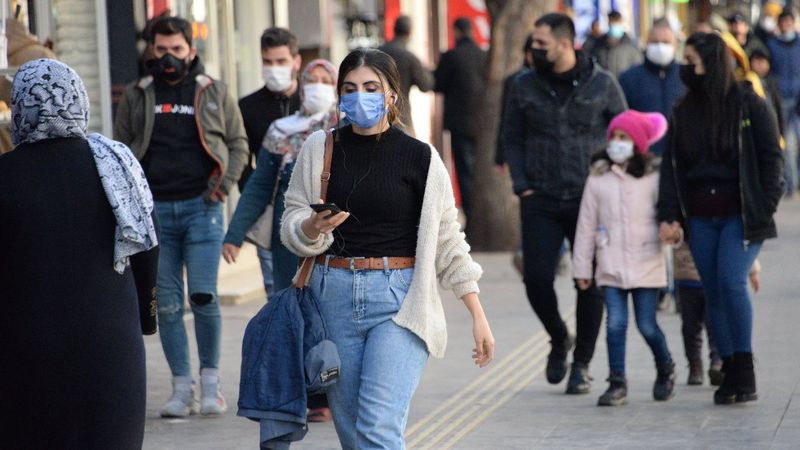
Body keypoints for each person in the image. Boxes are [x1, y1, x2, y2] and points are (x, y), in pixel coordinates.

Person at [280, 48, 495, 449]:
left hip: (399, 299)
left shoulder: (420, 157)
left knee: (377, 428)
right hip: (331, 295)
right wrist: (311, 226)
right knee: (353, 433)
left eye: (370, 87)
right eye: (349, 89)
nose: (359, 96)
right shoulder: (319, 148)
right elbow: (291, 221)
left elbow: (447, 240)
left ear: (392, 94)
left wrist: (477, 315)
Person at [1, 59, 159, 449]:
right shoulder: (116, 166)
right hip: (112, 345)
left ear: (21, 107)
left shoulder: (6, 174)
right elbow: (148, 250)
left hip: (26, 350)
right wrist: (147, 318)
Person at [114, 16, 249, 417]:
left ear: (191, 50)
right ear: (150, 51)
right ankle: (181, 387)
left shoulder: (213, 91)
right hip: (155, 213)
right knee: (169, 304)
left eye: (176, 49)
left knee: (203, 295)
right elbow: (122, 147)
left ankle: (211, 384)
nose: (169, 57)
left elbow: (238, 144)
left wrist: (222, 188)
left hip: (202, 209)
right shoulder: (138, 94)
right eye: (161, 50)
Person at [503, 13, 627, 395]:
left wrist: (614, 179)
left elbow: (624, 133)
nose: (534, 49)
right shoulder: (523, 85)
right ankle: (559, 337)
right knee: (536, 278)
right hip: (539, 197)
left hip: (590, 197)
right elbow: (511, 137)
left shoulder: (602, 83)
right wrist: (522, 184)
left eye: (541, 44)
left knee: (588, 282)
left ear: (564, 43)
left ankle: (582, 365)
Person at [658, 32, 784, 405]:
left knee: (731, 282)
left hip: (740, 215)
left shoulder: (748, 104)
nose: (685, 68)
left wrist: (765, 205)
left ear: (711, 64)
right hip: (700, 217)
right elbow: (671, 168)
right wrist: (669, 215)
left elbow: (772, 159)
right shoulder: (683, 111)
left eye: (691, 61)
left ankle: (744, 368)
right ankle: (728, 367)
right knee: (712, 291)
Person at [223, 59, 338, 422]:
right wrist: (234, 234)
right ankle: (305, 393)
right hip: (290, 238)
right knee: (294, 314)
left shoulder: (345, 127)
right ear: (301, 86)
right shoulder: (281, 131)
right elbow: (260, 186)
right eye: (311, 80)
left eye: (326, 80)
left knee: (331, 313)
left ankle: (330, 390)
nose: (317, 86)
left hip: (336, 237)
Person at [573, 110, 674, 406]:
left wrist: (672, 235)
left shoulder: (654, 177)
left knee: (647, 325)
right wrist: (582, 268)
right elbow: (586, 225)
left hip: (647, 261)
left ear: (638, 143)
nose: (617, 143)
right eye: (614, 137)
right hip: (611, 263)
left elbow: (668, 217)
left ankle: (665, 367)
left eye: (624, 137)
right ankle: (617, 382)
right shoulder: (598, 179)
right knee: (615, 323)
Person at [238, 28, 303, 296]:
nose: (274, 68)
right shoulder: (248, 107)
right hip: (269, 212)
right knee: (276, 292)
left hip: (309, 212)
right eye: (268, 62)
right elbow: (241, 158)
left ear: (296, 61)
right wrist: (256, 199)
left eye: (281, 61)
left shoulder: (313, 102)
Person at [434, 17, 487, 222]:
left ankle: (472, 217)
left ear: (456, 31)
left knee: (465, 172)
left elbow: (438, 84)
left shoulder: (451, 56)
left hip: (459, 122)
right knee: (480, 171)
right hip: (482, 123)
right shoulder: (484, 55)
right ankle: (481, 216)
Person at [618, 18, 684, 156]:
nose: (660, 47)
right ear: (646, 44)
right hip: (644, 157)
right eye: (654, 42)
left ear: (675, 45)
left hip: (682, 156)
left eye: (665, 42)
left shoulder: (685, 76)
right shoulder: (629, 78)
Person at [378, 15, 434, 136]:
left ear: (394, 29)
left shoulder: (378, 53)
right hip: (402, 116)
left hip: (377, 114)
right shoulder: (409, 57)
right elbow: (425, 85)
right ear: (409, 32)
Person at [767, 11, 800, 196]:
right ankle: (790, 183)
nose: (786, 25)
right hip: (781, 100)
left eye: (789, 21)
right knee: (785, 144)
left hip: (798, 98)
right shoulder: (772, 44)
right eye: (783, 21)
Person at [585, 10, 643, 78]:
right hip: (605, 83)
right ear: (608, 22)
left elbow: (638, 66)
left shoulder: (631, 45)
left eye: (616, 21)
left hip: (625, 83)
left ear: (621, 22)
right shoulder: (599, 44)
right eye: (611, 21)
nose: (613, 24)